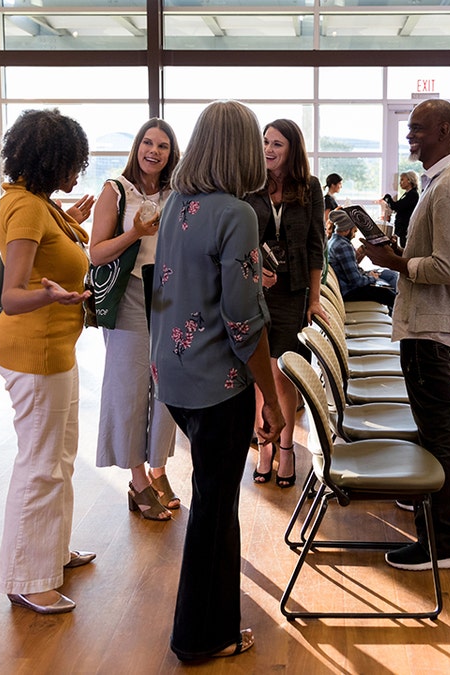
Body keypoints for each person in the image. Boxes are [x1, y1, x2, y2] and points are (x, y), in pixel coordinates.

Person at [148, 99, 283, 662]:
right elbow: (243, 324)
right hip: (217, 382)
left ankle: (205, 628)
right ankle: (204, 636)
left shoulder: (179, 199)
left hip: (175, 375)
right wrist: (270, 399)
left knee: (211, 504)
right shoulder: (237, 212)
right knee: (214, 510)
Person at [362, 99, 450, 572]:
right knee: (437, 430)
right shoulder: (441, 182)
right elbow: (431, 254)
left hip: (433, 324)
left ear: (443, 129)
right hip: (426, 321)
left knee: (439, 434)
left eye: (417, 129)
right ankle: (439, 508)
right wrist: (397, 252)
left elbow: (447, 269)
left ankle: (444, 541)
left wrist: (395, 263)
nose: (410, 136)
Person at [0, 109, 96, 615]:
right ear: (50, 160)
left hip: (55, 349)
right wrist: (54, 296)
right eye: (73, 162)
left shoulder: (37, 203)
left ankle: (48, 551)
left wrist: (71, 222)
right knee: (41, 465)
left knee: (59, 458)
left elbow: (51, 247)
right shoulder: (29, 209)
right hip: (37, 351)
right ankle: (28, 577)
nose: (78, 172)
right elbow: (12, 295)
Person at [89, 119, 181, 522]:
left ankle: (158, 467)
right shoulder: (115, 190)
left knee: (166, 388)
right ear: (137, 147)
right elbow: (96, 253)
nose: (154, 151)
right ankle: (138, 480)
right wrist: (136, 233)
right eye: (147, 142)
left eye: (162, 145)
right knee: (130, 389)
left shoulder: (177, 193)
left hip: (169, 298)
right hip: (127, 299)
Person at [243, 119, 325, 488]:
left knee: (283, 370)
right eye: (265, 142)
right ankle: (264, 445)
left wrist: (315, 297)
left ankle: (287, 448)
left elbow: (314, 246)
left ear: (292, 148)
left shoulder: (309, 187)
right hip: (255, 291)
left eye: (277, 143)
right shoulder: (249, 185)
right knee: (261, 370)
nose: (269, 149)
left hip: (292, 294)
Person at [326, 210, 397, 309]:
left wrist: (369, 275)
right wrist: (372, 278)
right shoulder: (343, 246)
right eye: (354, 231)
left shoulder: (333, 241)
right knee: (389, 294)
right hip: (350, 291)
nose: (354, 235)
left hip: (347, 287)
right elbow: (357, 282)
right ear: (346, 230)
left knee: (389, 277)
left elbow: (352, 270)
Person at [383, 170, 420, 248]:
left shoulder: (412, 195)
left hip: (406, 229)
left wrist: (387, 197)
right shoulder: (407, 194)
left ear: (409, 180)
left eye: (402, 180)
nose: (400, 183)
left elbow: (396, 206)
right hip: (403, 229)